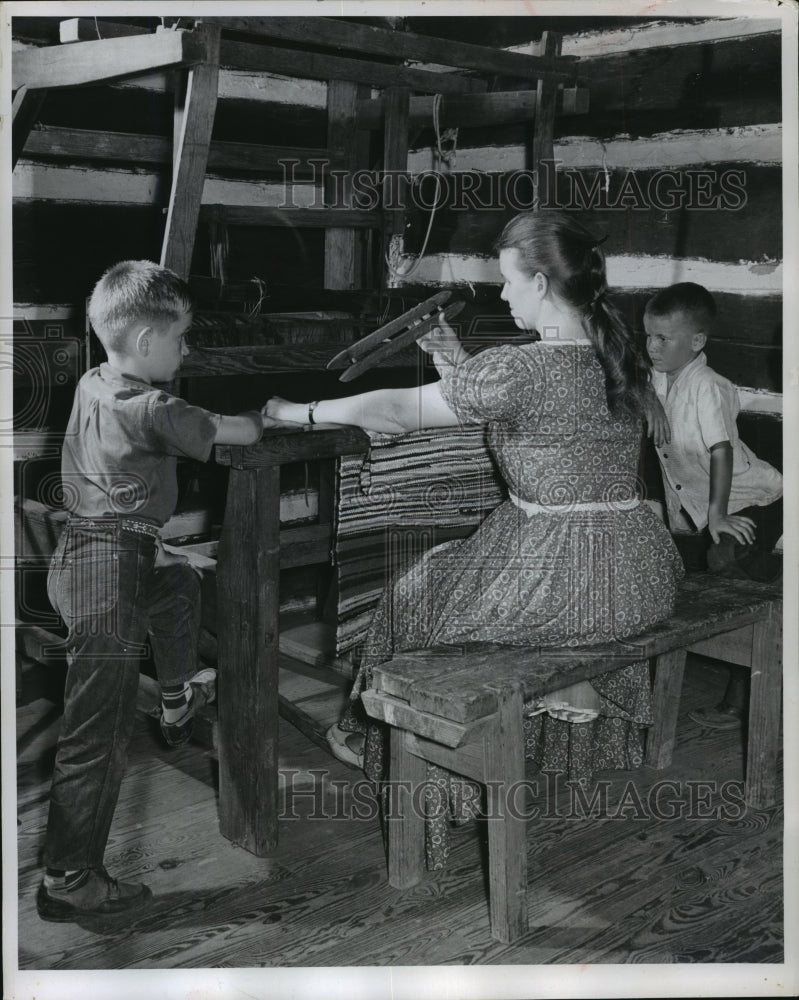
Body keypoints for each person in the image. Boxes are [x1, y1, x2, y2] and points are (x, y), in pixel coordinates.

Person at [266, 210, 684, 868]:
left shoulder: (522, 368)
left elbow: (396, 410)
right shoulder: (614, 357)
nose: (504, 295)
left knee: (417, 595)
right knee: (451, 578)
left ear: (542, 284)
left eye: (510, 283)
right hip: (640, 572)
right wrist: (454, 358)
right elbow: (541, 417)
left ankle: (401, 758)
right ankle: (522, 746)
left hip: (567, 574)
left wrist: (298, 411)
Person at [38, 260, 269, 923]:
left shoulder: (94, 381)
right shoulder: (154, 407)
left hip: (88, 552)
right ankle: (68, 877)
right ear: (144, 341)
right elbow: (238, 432)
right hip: (110, 574)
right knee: (97, 735)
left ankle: (174, 696)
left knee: (176, 585)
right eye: (181, 338)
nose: (187, 349)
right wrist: (274, 412)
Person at [644, 282, 782, 730]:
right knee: (672, 571)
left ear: (697, 341)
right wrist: (649, 400)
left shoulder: (709, 386)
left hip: (755, 498)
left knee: (727, 559)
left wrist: (719, 516)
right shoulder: (657, 378)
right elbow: (628, 380)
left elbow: (721, 450)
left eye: (663, 338)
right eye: (648, 335)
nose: (652, 346)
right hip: (700, 509)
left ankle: (742, 698)